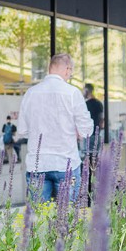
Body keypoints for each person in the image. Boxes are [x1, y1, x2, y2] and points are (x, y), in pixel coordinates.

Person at [16, 53, 95, 203]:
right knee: (67, 217)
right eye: (70, 72)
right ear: (67, 69)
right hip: (66, 164)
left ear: (50, 68)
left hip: (37, 165)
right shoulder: (72, 93)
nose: (70, 75)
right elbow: (86, 131)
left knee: (38, 219)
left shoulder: (30, 93)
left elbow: (22, 130)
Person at [84, 83, 104, 151]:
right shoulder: (99, 103)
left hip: (88, 135)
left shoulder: (86, 105)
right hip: (97, 136)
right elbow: (101, 121)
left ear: (86, 90)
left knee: (87, 158)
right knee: (95, 158)